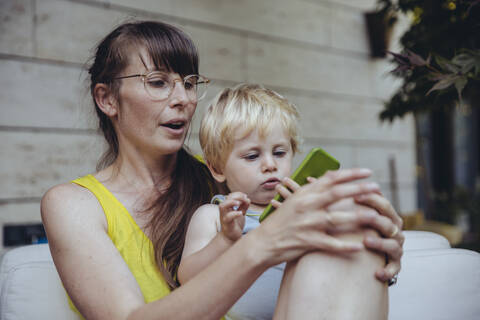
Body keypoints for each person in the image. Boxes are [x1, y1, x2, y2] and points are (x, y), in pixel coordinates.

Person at [40, 20, 404, 320]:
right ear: (106, 99)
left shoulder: (236, 178)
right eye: (158, 82)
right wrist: (263, 243)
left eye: (189, 82)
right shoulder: (73, 204)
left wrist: (375, 243)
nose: (183, 99)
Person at [178, 84, 397, 319]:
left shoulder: (305, 207)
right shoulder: (214, 215)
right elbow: (188, 279)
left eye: (280, 153)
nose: (270, 165)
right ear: (217, 168)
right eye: (252, 156)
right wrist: (224, 240)